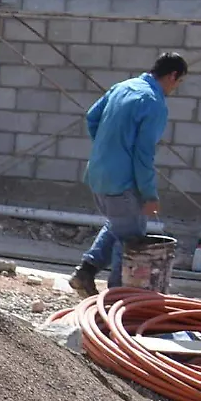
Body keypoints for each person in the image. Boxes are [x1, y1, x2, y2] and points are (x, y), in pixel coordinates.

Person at [69, 52, 187, 296]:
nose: (175, 89)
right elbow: (143, 156)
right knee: (130, 241)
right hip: (122, 183)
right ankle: (116, 299)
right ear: (172, 76)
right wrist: (150, 195)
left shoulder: (123, 87)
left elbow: (92, 118)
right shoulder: (153, 103)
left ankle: (86, 271)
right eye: (178, 82)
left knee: (119, 224)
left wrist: (107, 148)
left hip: (98, 175)